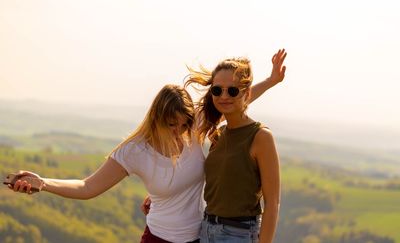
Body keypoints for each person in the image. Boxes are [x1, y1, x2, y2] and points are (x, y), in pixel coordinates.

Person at [7, 49, 286, 243]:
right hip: (159, 240)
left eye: (184, 124)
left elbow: (231, 99)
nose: (179, 131)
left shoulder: (196, 126)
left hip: (200, 237)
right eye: (170, 125)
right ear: (156, 121)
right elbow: (87, 187)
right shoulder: (135, 150)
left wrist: (271, 82)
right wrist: (43, 182)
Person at [184, 50, 286, 243]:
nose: (224, 96)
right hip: (205, 230)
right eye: (217, 90)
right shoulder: (217, 135)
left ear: (246, 93)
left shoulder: (261, 137)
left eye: (232, 90)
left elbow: (272, 203)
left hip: (238, 235)